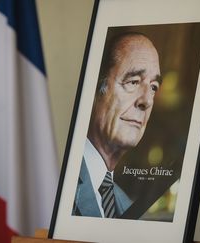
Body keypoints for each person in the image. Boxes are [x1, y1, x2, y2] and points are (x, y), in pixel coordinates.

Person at [72, 32, 162, 218]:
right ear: (97, 89)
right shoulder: (57, 179)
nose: (146, 101)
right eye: (134, 81)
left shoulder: (126, 205)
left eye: (153, 87)